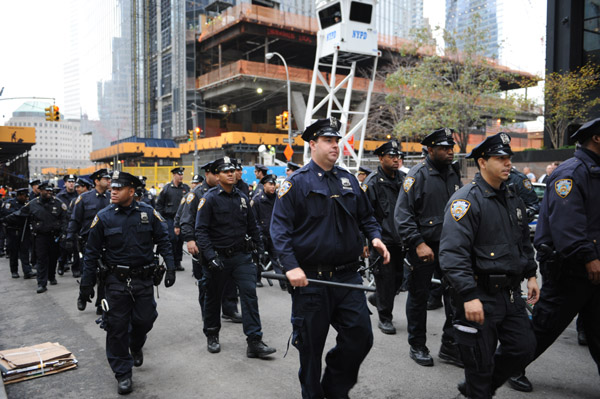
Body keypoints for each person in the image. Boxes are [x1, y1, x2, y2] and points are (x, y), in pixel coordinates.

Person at [271, 117, 390, 399]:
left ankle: (335, 390)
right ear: (312, 144)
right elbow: (279, 231)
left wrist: (375, 237)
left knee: (360, 336)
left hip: (347, 276)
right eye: (328, 140)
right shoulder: (295, 183)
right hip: (311, 279)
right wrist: (291, 268)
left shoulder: (348, 180)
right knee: (310, 349)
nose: (335, 145)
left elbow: (367, 216)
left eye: (337, 140)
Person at [439, 132, 539, 399]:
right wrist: (469, 295)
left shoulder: (512, 197)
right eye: (500, 158)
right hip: (479, 294)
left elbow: (522, 241)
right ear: (482, 162)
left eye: (509, 158)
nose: (507, 163)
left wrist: (530, 274)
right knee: (479, 364)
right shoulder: (466, 201)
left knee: (524, 348)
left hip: (509, 294)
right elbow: (452, 254)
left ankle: (476, 391)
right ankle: (478, 389)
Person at [508, 118, 600, 392]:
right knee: (545, 324)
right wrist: (588, 257)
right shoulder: (571, 173)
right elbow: (568, 225)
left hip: (591, 265)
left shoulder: (593, 171)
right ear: (597, 138)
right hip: (571, 267)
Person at [78, 171, 177, 395]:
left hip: (143, 280)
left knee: (145, 318)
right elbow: (91, 253)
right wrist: (86, 285)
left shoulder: (148, 213)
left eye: (118, 188)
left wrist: (170, 267)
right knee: (116, 327)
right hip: (115, 282)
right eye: (111, 188)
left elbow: (163, 240)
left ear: (131, 192)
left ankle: (136, 344)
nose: (112, 191)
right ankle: (123, 372)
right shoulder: (103, 217)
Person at [394, 127, 463, 367]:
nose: (449, 152)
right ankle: (417, 345)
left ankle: (450, 345)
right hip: (423, 247)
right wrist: (418, 243)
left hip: (451, 247)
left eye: (451, 147)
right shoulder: (417, 175)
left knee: (456, 296)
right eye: (444, 148)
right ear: (430, 149)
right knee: (418, 297)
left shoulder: (454, 174)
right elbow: (402, 215)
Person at [195, 157, 276, 358]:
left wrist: (258, 248)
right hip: (218, 258)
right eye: (225, 171)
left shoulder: (241, 197)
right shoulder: (210, 198)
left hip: (241, 256)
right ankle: (212, 334)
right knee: (213, 298)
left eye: (232, 170)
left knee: (249, 295)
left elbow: (252, 226)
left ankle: (254, 341)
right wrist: (210, 256)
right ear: (217, 176)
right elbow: (201, 231)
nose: (231, 174)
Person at [179, 162, 241, 322]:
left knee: (229, 281)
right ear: (208, 174)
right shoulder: (197, 193)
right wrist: (190, 239)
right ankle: (208, 315)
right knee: (206, 284)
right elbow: (187, 219)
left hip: (224, 246)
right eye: (216, 173)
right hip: (204, 246)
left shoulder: (229, 192)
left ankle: (229, 309)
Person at [363, 140, 406, 334]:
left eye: (398, 156)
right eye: (391, 156)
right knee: (385, 279)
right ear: (381, 158)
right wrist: (365, 242)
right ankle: (385, 317)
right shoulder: (372, 183)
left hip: (401, 240)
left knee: (400, 279)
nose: (396, 160)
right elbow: (364, 215)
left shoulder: (405, 179)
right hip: (381, 241)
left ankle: (378, 298)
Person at [5, 181, 69, 293]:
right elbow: (19, 214)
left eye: (50, 190)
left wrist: (64, 233)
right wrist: (5, 219)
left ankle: (51, 276)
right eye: (46, 190)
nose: (49, 192)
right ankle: (41, 283)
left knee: (53, 258)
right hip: (40, 236)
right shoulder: (33, 204)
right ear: (40, 191)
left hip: (55, 236)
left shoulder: (58, 203)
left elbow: (64, 219)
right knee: (41, 259)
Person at [67, 169, 112, 310]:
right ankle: (83, 296)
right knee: (89, 273)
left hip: (107, 241)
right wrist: (69, 237)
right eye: (106, 179)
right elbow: (75, 220)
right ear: (97, 181)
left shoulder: (111, 198)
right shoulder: (84, 198)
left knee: (105, 274)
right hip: (89, 242)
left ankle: (101, 303)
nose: (109, 181)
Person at [156, 167, 189, 271]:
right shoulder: (167, 188)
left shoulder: (185, 188)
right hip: (170, 218)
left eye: (182, 174)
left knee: (180, 240)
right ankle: (171, 262)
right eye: (179, 174)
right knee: (172, 239)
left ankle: (178, 262)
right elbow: (159, 205)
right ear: (174, 175)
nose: (181, 176)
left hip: (182, 219)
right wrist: (161, 220)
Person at [250, 173, 280, 288]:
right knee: (258, 258)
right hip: (261, 234)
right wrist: (258, 234)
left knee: (277, 258)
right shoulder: (257, 200)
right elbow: (253, 220)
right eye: (270, 184)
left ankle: (282, 281)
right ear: (264, 186)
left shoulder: (278, 199)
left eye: (274, 184)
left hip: (274, 233)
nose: (273, 187)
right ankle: (257, 278)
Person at [0, 188, 36, 279]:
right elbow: (8, 216)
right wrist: (21, 215)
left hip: (24, 230)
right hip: (12, 231)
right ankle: (14, 270)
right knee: (13, 251)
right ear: (19, 195)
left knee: (25, 251)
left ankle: (27, 271)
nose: (26, 198)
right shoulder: (10, 203)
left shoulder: (27, 204)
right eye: (24, 196)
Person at [57, 174, 78, 276]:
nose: (71, 184)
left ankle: (76, 269)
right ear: (65, 183)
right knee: (64, 248)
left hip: (76, 224)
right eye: (69, 182)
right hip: (65, 224)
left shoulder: (78, 195)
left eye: (73, 182)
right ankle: (61, 265)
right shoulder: (60, 196)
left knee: (77, 249)